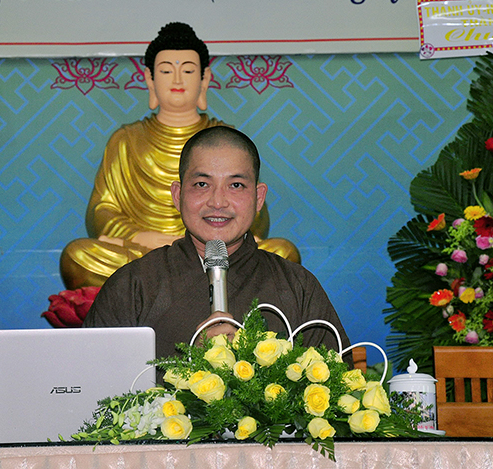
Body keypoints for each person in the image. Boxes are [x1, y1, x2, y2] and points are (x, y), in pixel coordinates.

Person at [59, 22, 299, 291]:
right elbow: (102, 211)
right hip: (145, 252)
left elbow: (255, 214)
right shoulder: (126, 140)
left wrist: (221, 232)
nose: (177, 80)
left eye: (187, 70)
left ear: (204, 79)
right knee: (77, 257)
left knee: (283, 252)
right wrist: (143, 238)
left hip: (216, 252)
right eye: (165, 71)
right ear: (150, 79)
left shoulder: (227, 139)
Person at [83, 126, 349, 359]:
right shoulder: (132, 285)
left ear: (258, 198)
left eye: (236, 185)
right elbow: (94, 383)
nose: (218, 202)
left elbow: (337, 387)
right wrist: (193, 366)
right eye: (202, 184)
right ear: (177, 196)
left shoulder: (297, 286)